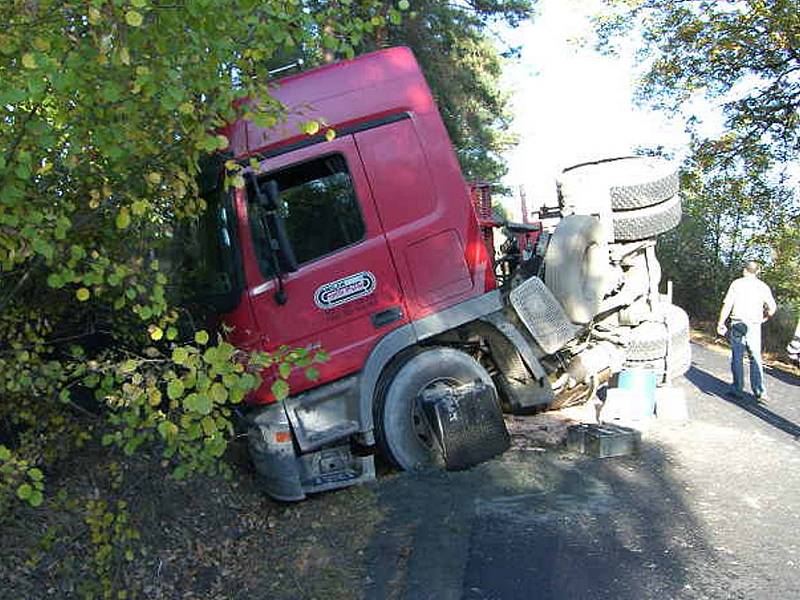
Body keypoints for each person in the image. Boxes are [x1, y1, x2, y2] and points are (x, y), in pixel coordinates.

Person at [717, 261, 777, 401]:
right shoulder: (763, 287)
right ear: (757, 272)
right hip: (754, 324)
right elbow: (772, 308)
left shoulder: (737, 284)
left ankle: (737, 388)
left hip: (738, 322)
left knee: (737, 356)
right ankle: (760, 391)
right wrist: (765, 318)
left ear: (745, 270)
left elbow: (728, 304)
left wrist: (721, 322)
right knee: (755, 357)